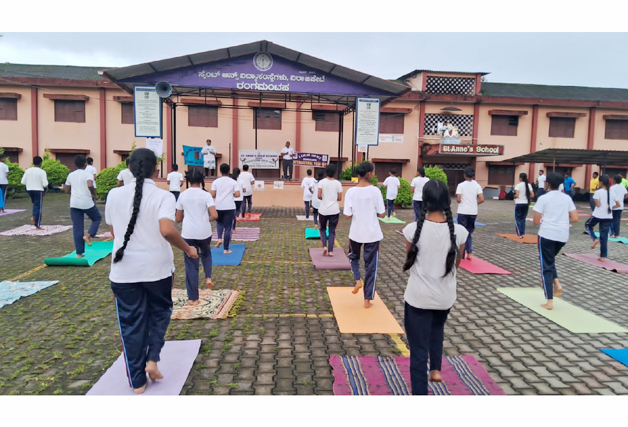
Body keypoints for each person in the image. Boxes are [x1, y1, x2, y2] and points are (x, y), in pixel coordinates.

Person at [105, 148, 198, 394]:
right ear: (156, 171)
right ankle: (152, 359)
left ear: (128, 167)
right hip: (157, 269)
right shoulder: (163, 196)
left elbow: (114, 232)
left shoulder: (114, 194)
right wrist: (188, 249)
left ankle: (138, 383)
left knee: (131, 325)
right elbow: (167, 230)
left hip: (124, 272)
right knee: (160, 314)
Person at [402, 179, 468, 395]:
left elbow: (409, 258)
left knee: (418, 349)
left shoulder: (412, 230)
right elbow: (456, 264)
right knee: (437, 328)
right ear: (447, 201)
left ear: (424, 200)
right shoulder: (460, 232)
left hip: (418, 298)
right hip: (444, 297)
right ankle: (436, 369)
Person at [533, 172, 578, 310]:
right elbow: (575, 218)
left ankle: (549, 301)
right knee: (550, 260)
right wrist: (561, 220)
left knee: (546, 266)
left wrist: (549, 220)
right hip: (562, 236)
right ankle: (557, 283)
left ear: (547, 183)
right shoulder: (567, 198)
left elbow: (536, 220)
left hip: (547, 234)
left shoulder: (543, 198)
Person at [344, 162, 386, 309]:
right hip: (372, 234)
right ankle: (367, 300)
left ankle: (357, 280)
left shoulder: (351, 192)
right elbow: (382, 214)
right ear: (369, 174)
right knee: (371, 266)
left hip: (356, 232)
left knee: (353, 258)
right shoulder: (375, 191)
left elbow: (347, 215)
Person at [175, 168, 218, 306]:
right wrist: (207, 218)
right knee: (206, 254)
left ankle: (193, 298)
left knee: (191, 265)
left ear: (188, 180)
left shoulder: (183, 195)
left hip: (188, 233)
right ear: (201, 180)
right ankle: (208, 277)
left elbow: (178, 218)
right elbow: (215, 215)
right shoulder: (206, 195)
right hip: (204, 232)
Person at [64, 155, 102, 258]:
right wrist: (93, 194)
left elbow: (66, 190)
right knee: (97, 218)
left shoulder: (71, 175)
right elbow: (90, 185)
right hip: (87, 202)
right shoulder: (88, 174)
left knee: (77, 227)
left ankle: (79, 253)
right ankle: (89, 235)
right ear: (85, 164)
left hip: (74, 204)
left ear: (75, 164)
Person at [211, 163, 240, 254]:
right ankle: (226, 249)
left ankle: (219, 238)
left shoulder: (216, 182)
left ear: (220, 171)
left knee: (219, 223)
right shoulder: (233, 182)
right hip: (229, 206)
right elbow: (238, 194)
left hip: (218, 206)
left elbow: (213, 194)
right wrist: (231, 194)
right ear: (229, 171)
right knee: (228, 227)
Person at [455, 166, 484, 260]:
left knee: (462, 232)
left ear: (464, 175)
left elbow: (458, 199)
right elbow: (482, 199)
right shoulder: (477, 185)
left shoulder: (461, 185)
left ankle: (461, 253)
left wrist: (461, 201)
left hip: (463, 211)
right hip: (473, 212)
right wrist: (475, 204)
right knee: (469, 232)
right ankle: (469, 252)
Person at [585, 175, 614, 262]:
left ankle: (594, 239)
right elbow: (615, 204)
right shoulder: (612, 192)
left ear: (601, 182)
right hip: (608, 216)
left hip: (598, 215)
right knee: (604, 236)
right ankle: (602, 256)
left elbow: (597, 204)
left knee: (588, 225)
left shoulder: (598, 192)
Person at [317, 164, 343, 257]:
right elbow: (339, 198)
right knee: (332, 230)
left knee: (322, 228)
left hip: (323, 210)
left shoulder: (322, 182)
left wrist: (324, 198)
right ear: (335, 172)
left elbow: (319, 195)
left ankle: (324, 246)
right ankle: (331, 251)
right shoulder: (338, 183)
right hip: (334, 210)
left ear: (326, 172)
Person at [21, 156, 48, 230]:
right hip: (38, 190)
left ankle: (34, 216)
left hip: (29, 190)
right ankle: (37, 224)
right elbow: (45, 184)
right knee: (38, 206)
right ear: (40, 163)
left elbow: (23, 182)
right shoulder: (42, 172)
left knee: (35, 204)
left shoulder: (27, 171)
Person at [514, 173, 534, 238]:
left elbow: (517, 195)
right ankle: (523, 233)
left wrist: (514, 196)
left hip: (519, 203)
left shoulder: (518, 185)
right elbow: (532, 195)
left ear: (520, 178)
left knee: (518, 219)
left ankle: (519, 234)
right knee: (523, 218)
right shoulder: (528, 185)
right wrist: (526, 197)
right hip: (526, 203)